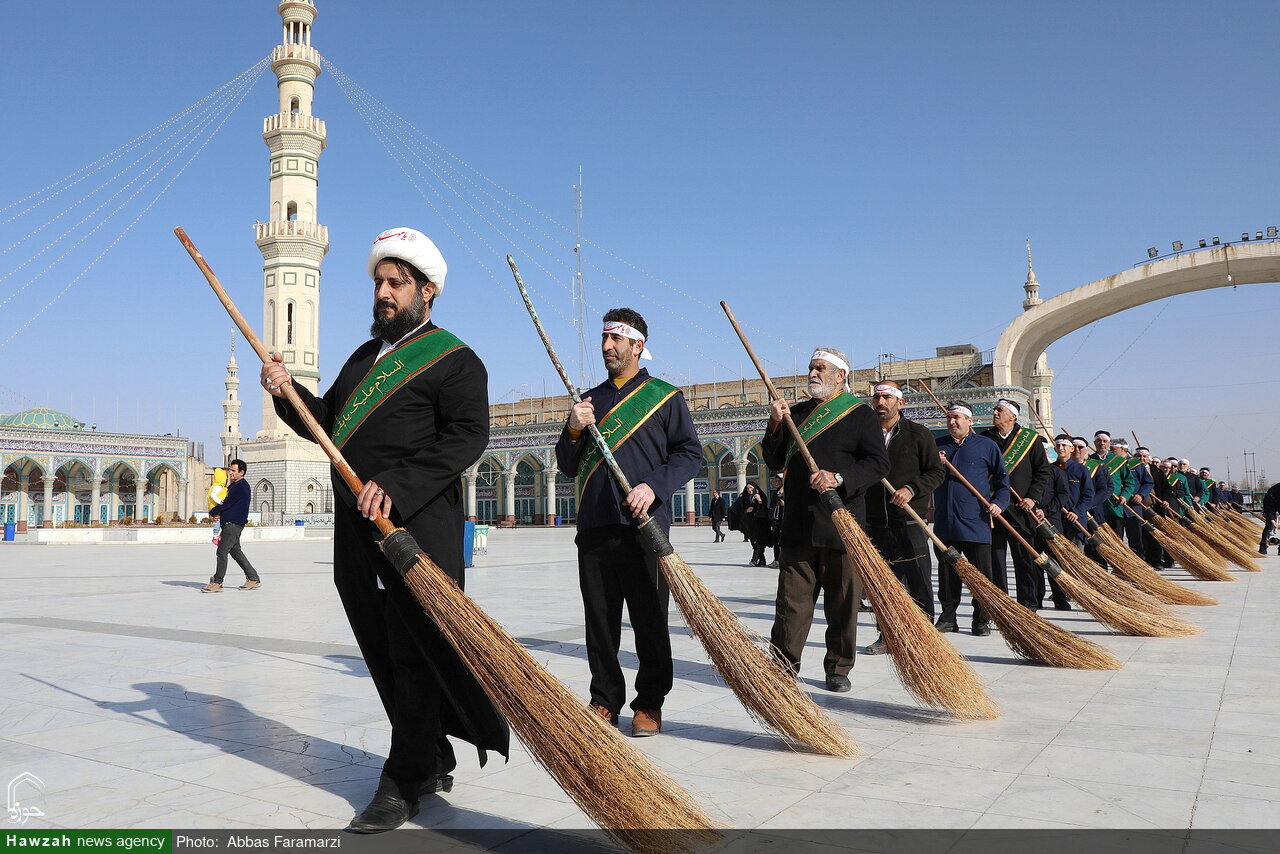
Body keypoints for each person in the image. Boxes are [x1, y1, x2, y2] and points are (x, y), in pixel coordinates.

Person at [261, 227, 509, 833]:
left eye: (395, 284)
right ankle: (429, 748)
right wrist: (287, 393)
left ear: (427, 292)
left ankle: (404, 779)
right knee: (381, 647)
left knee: (415, 648)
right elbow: (326, 427)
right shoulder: (360, 361)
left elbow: (466, 437)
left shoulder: (455, 360)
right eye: (378, 282)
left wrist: (398, 483)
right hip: (356, 530)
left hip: (417, 527)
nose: (383, 293)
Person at [555, 308, 701, 737]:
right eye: (603, 339)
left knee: (649, 621)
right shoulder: (589, 400)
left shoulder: (664, 397)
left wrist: (653, 487)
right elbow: (566, 466)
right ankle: (604, 699)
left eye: (615, 340)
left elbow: (689, 453)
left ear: (637, 345)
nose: (606, 347)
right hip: (596, 527)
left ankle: (649, 704)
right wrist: (573, 428)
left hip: (644, 528)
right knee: (599, 621)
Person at [763, 347, 888, 691]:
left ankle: (838, 667)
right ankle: (783, 664)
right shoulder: (796, 413)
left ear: (840, 376)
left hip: (841, 525)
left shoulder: (860, 415)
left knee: (842, 603)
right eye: (810, 368)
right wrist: (775, 422)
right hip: (798, 525)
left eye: (820, 368)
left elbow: (878, 464)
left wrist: (839, 477)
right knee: (791, 603)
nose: (813, 374)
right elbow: (773, 458)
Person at [861, 380, 945, 654]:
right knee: (884, 583)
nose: (881, 403)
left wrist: (911, 489)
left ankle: (924, 636)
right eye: (877, 398)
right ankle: (887, 636)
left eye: (887, 398)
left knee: (919, 579)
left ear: (900, 402)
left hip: (909, 521)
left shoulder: (918, 434)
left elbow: (936, 472)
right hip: (876, 522)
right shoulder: (866, 436)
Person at [933, 401, 1010, 635]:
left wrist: (998, 503)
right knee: (947, 576)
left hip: (976, 522)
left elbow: (1002, 482)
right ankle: (948, 618)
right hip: (946, 523)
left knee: (981, 574)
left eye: (957, 417)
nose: (952, 422)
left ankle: (981, 619)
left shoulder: (986, 446)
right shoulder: (937, 446)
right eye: (949, 418)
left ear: (970, 421)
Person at [980, 399, 1051, 610]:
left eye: (999, 410)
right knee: (995, 558)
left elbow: (1043, 472)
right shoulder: (984, 439)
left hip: (1021, 508)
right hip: (993, 508)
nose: (995, 412)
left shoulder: (1030, 440)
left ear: (1012, 416)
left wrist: (1033, 497)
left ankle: (1028, 603)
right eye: (995, 409)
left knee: (1024, 558)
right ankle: (1001, 603)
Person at [202, 459, 261, 593]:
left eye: (233, 470)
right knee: (236, 552)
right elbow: (228, 503)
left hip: (233, 524)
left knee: (222, 552)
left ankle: (217, 582)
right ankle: (253, 578)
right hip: (230, 523)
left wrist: (214, 511)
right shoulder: (234, 486)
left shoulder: (241, 486)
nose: (230, 473)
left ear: (242, 472)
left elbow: (228, 503)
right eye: (230, 470)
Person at [741, 481, 770, 566]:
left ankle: (754, 560)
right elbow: (742, 508)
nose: (749, 490)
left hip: (760, 522)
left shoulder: (760, 495)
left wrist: (760, 500)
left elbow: (764, 506)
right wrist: (747, 510)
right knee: (753, 541)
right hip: (751, 522)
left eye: (751, 488)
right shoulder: (746, 497)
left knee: (758, 542)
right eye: (748, 488)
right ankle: (762, 560)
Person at [1259, 481, 1280, 556]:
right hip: (1270, 506)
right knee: (1269, 526)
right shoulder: (1273, 490)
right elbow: (1268, 507)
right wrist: (1272, 519)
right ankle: (1263, 547)